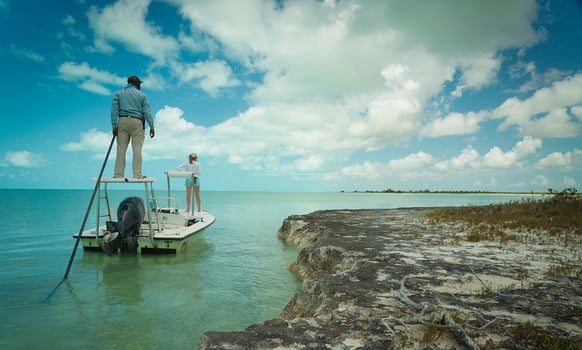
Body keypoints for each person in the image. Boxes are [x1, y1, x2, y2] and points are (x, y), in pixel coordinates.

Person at [110, 75, 155, 179]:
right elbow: (147, 112)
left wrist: (114, 125)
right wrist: (151, 126)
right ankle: (137, 174)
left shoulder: (119, 94)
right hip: (137, 122)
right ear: (137, 84)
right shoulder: (143, 95)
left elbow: (114, 111)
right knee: (137, 150)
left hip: (122, 121)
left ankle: (118, 175)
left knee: (121, 149)